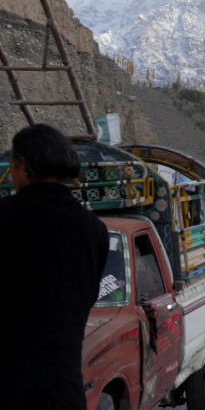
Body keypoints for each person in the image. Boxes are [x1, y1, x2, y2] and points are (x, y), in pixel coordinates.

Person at [1, 124, 108, 410]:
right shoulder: (94, 230)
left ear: (22, 164)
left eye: (11, 165)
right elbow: (87, 297)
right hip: (64, 393)